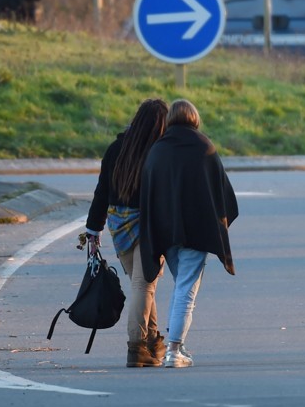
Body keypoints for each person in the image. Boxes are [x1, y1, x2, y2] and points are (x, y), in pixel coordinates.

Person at [139, 99, 239, 368]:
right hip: (197, 231)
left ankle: (179, 345)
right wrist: (219, 221)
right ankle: (173, 350)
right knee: (186, 290)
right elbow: (222, 191)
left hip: (166, 231)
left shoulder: (158, 150)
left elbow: (149, 190)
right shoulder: (204, 146)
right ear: (195, 117)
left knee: (181, 285)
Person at [84, 98, 169, 367]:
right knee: (144, 285)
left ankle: (154, 342)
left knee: (141, 286)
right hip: (149, 227)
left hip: (118, 226)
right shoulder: (159, 152)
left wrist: (92, 229)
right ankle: (137, 346)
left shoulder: (116, 148)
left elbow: (101, 193)